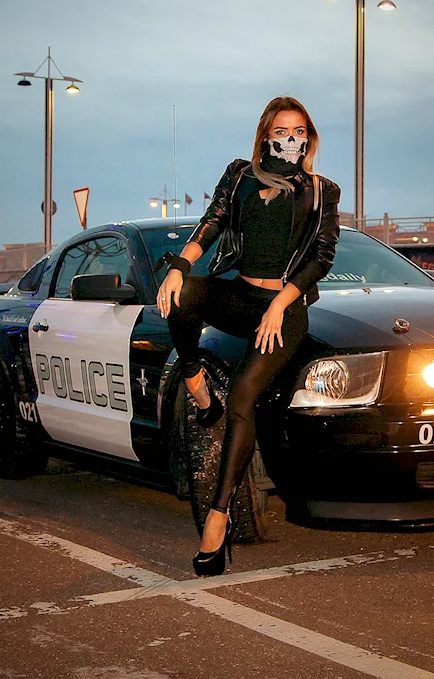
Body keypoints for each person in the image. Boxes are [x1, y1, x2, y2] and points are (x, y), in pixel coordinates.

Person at [156, 96, 340, 576]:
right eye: (282, 130)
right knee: (181, 295)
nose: (291, 139)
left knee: (242, 396)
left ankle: (217, 521)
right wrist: (179, 267)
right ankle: (195, 379)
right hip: (239, 294)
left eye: (299, 130)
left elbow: (322, 258)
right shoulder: (239, 175)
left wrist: (280, 304)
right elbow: (213, 222)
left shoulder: (321, 191)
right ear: (265, 134)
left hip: (284, 309)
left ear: (309, 137)